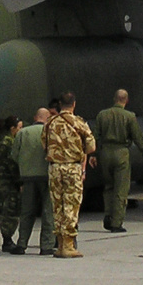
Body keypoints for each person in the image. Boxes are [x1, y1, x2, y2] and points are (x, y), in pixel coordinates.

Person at [44, 92, 96, 258]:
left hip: (54, 168)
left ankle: (59, 245)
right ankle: (68, 245)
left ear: (60, 104)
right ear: (73, 104)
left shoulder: (50, 123)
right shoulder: (78, 122)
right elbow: (91, 147)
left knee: (57, 205)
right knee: (71, 205)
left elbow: (43, 143)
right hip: (72, 168)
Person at [93, 89, 143, 232]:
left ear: (114, 99)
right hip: (121, 153)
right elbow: (137, 135)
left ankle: (107, 214)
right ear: (126, 100)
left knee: (108, 187)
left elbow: (95, 136)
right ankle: (116, 222)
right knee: (121, 189)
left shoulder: (102, 115)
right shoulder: (129, 116)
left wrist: (93, 154)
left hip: (105, 153)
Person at [11, 108, 55, 255]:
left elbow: (14, 155)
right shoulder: (51, 132)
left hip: (28, 177)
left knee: (27, 212)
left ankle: (22, 243)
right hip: (47, 176)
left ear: (35, 117)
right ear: (47, 118)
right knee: (48, 212)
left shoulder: (23, 133)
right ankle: (46, 246)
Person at [0, 116, 22, 251]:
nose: (20, 131)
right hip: (8, 180)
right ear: (12, 129)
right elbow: (11, 164)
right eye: (19, 128)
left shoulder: (6, 140)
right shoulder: (8, 142)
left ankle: (8, 238)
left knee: (8, 207)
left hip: (4, 179)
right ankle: (7, 239)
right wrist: (19, 181)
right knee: (10, 208)